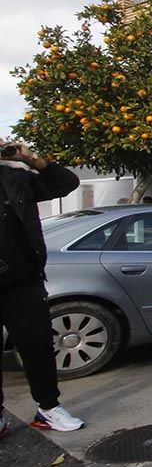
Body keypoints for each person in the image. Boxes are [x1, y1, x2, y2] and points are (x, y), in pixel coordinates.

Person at [0, 141, 84, 438]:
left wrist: (31, 159)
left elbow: (66, 183)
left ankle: (48, 408)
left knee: (37, 346)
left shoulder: (15, 177)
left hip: (21, 279)